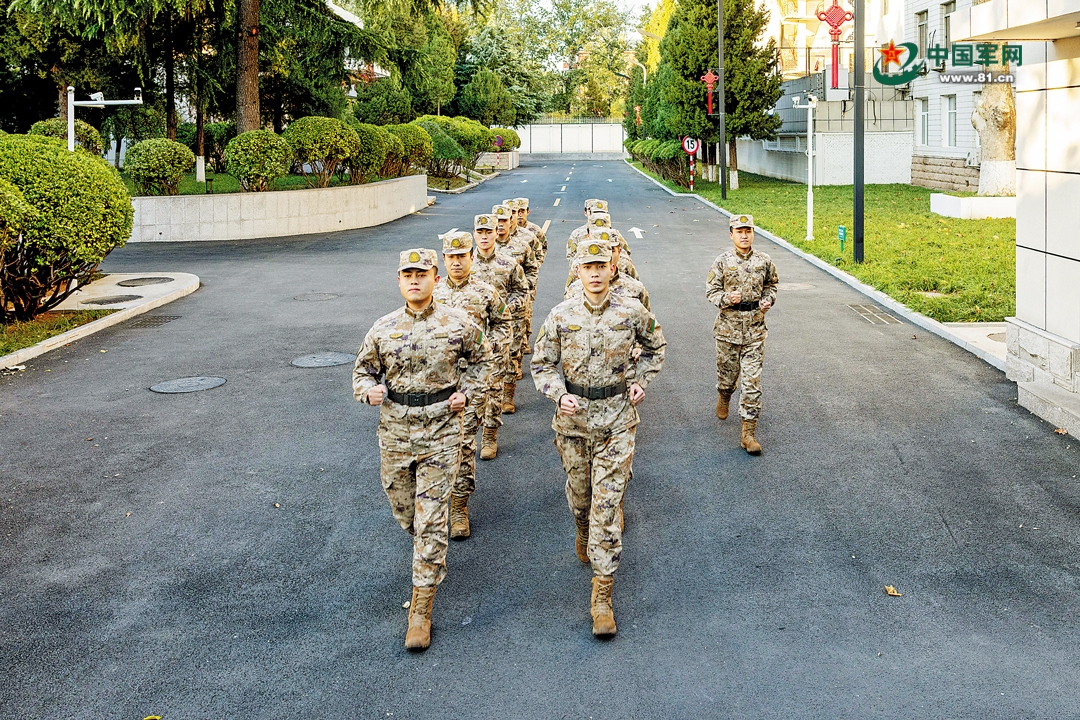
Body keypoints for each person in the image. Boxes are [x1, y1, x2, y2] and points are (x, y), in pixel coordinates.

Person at [352, 248, 495, 651]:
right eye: (407, 274)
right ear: (398, 281)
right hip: (396, 433)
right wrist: (368, 391)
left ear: (435, 277)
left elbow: (485, 358)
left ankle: (421, 608)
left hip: (442, 432)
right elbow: (361, 371)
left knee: (432, 519)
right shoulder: (382, 329)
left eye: (422, 273)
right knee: (404, 510)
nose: (414, 280)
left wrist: (468, 391)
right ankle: (427, 550)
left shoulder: (459, 324)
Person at [531, 239, 666, 638]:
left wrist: (640, 382)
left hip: (617, 421)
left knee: (607, 508)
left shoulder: (632, 311)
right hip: (573, 424)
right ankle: (581, 527)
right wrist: (558, 393)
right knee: (582, 499)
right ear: (577, 270)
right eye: (586, 266)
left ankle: (602, 597)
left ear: (612, 268)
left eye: (600, 265)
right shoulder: (560, 314)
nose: (593, 272)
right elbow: (541, 363)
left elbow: (657, 346)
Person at [433, 231, 513, 540]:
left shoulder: (486, 292)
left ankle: (458, 507)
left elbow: (504, 324)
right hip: (436, 385)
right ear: (444, 260)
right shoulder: (433, 294)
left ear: (471, 258)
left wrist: (487, 351)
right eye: (450, 257)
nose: (455, 262)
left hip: (470, 384)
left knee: (464, 443)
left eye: (461, 256)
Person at [705, 214, 779, 455]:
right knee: (728, 377)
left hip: (755, 330)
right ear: (731, 234)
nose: (744, 235)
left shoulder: (764, 260)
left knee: (752, 383)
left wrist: (768, 299)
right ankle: (724, 394)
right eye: (739, 231)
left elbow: (772, 284)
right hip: (727, 330)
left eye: (748, 230)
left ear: (753, 233)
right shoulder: (722, 262)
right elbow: (711, 292)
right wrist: (726, 298)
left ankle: (748, 433)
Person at [470, 213, 529, 451]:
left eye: (489, 232)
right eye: (480, 232)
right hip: (468, 341)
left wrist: (506, 308)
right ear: (475, 234)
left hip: (498, 335)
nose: (484, 237)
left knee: (494, 386)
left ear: (497, 232)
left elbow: (522, 292)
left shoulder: (508, 265)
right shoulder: (466, 265)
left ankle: (489, 435)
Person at [493, 203, 539, 401]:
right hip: (488, 313)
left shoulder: (522, 244)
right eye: (497, 221)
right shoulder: (482, 249)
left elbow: (532, 267)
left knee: (512, 349)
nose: (500, 225)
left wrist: (524, 289)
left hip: (514, 307)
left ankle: (507, 397)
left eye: (504, 220)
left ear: (511, 220)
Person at [565, 230, 650, 311]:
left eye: (612, 250)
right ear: (579, 271)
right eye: (587, 267)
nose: (594, 274)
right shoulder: (574, 290)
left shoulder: (635, 288)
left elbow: (647, 322)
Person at [567, 214, 639, 287]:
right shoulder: (579, 264)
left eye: (612, 249)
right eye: (587, 267)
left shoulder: (624, 261)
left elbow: (635, 282)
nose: (608, 253)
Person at [514, 197, 547, 264]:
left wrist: (536, 265)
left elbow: (544, 247)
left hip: (528, 269)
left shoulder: (535, 230)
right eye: (517, 212)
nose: (520, 214)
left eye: (523, 211)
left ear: (528, 212)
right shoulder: (506, 231)